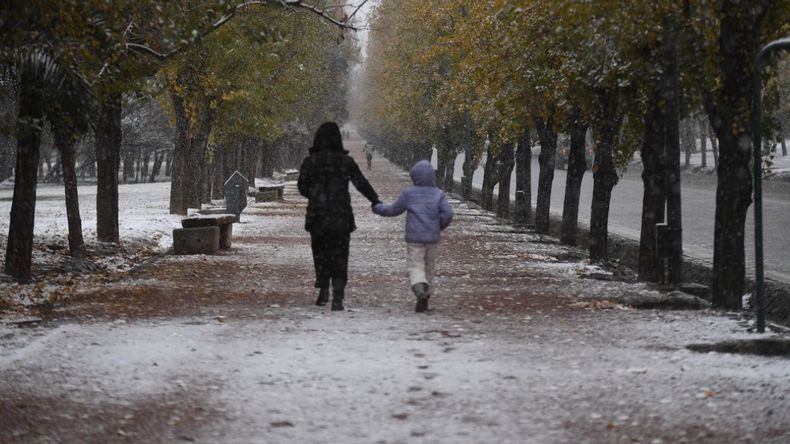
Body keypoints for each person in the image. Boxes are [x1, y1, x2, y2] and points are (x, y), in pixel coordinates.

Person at [298, 122, 381, 311]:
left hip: (317, 217)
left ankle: (323, 289)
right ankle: (338, 297)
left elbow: (302, 187)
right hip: (340, 216)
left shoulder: (310, 162)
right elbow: (361, 183)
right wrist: (374, 200)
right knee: (340, 255)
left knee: (320, 253)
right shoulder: (346, 162)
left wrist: (315, 194)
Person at [372, 160, 453, 312]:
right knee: (429, 267)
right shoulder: (438, 194)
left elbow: (393, 210)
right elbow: (448, 214)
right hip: (432, 238)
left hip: (414, 238)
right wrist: (438, 226)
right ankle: (426, 295)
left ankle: (419, 288)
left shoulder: (409, 193)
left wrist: (378, 208)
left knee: (416, 265)